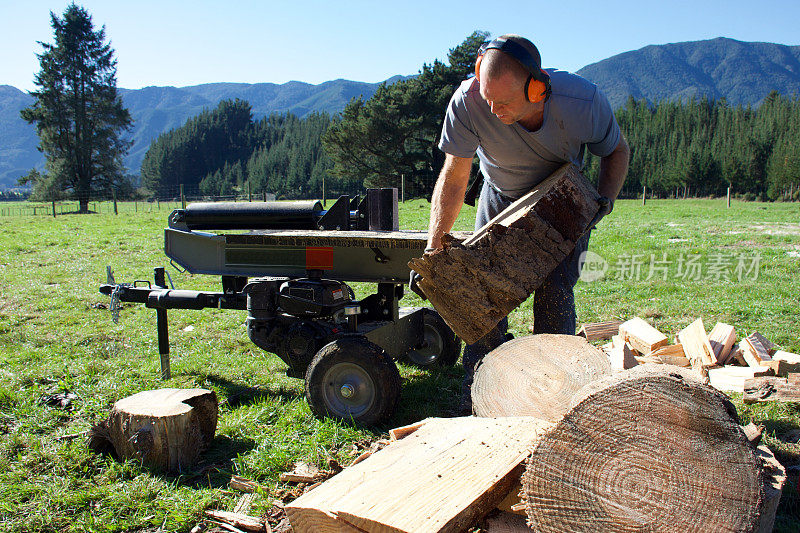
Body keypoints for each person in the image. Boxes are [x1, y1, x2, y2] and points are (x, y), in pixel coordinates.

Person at [425, 34, 629, 413]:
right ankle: (482, 396)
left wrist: (601, 205)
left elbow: (616, 151)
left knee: (553, 293)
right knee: (480, 294)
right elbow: (454, 178)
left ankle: (555, 398)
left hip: (562, 200)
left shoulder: (583, 103)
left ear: (537, 89)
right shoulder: (468, 102)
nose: (492, 108)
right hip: (499, 196)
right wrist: (434, 247)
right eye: (488, 97)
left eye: (503, 103)